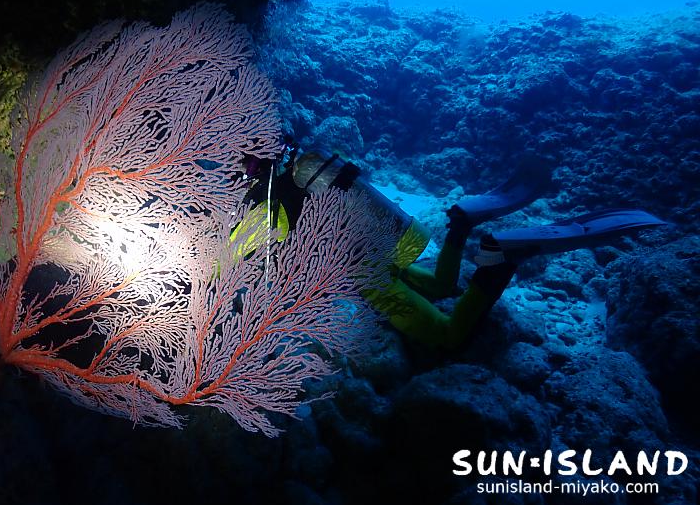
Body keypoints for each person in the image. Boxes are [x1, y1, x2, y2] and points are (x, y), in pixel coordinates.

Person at [238, 137, 668, 350]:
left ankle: (502, 261)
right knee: (445, 287)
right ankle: (462, 223)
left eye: (240, 163)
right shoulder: (301, 160)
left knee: (448, 336)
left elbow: (257, 254)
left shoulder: (268, 194)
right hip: (389, 241)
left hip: (361, 271)